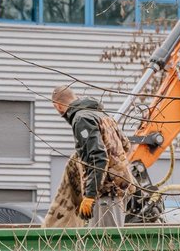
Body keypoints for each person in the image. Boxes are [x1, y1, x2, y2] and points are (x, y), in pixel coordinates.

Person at [51, 85, 135, 227]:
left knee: (105, 239)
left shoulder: (81, 119)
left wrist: (90, 195)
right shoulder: (102, 115)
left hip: (107, 192)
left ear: (57, 105)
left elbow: (98, 157)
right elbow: (126, 145)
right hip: (121, 187)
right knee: (112, 236)